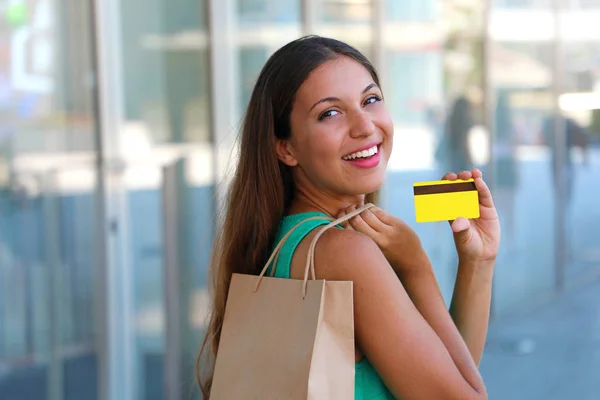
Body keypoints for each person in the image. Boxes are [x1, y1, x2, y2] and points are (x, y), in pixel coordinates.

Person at [197, 36, 500, 399]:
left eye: (370, 100)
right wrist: (415, 265)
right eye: (330, 113)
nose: (364, 126)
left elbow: (448, 372)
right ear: (286, 147)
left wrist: (478, 260)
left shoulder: (287, 238)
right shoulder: (345, 253)